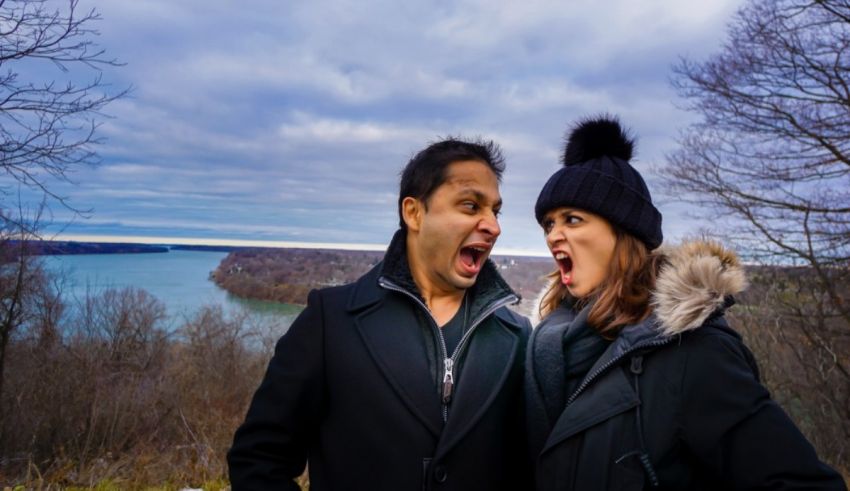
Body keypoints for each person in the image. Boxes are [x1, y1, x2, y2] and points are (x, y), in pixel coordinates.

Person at [525, 116, 847, 490]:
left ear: (624, 232)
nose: (553, 235)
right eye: (548, 224)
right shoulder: (549, 345)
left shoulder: (693, 352)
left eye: (572, 220)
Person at [228, 138, 531, 490]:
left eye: (495, 211)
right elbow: (258, 461)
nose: (493, 226)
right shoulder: (331, 322)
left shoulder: (518, 338)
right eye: (470, 206)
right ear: (414, 213)